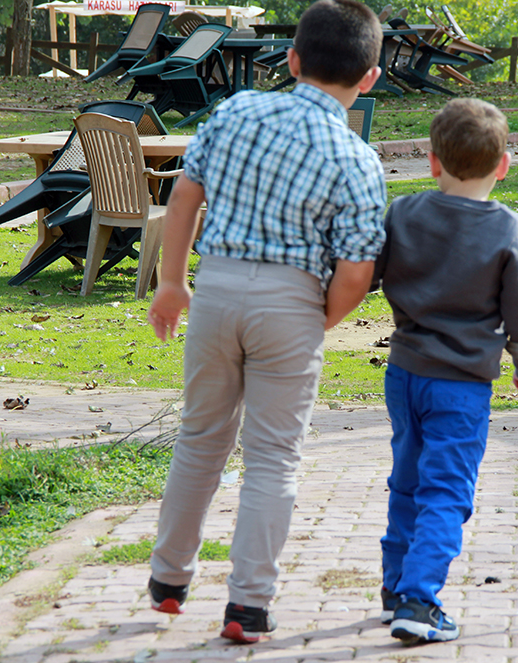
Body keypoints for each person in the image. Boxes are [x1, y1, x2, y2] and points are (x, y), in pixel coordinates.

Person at [143, 0, 387, 645]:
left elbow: (183, 194)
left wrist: (172, 283)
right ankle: (247, 606)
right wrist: (317, 319)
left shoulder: (238, 110)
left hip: (217, 285)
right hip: (295, 300)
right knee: (274, 457)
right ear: (371, 77)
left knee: (200, 437)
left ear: (292, 59)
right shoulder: (357, 156)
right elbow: (357, 273)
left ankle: (168, 579)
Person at [370, 98, 518, 645]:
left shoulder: (404, 213)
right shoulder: (509, 231)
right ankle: (420, 601)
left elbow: (373, 272)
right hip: (462, 384)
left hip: (404, 373)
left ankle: (395, 587)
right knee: (446, 490)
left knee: (407, 477)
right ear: (503, 165)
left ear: (432, 162)